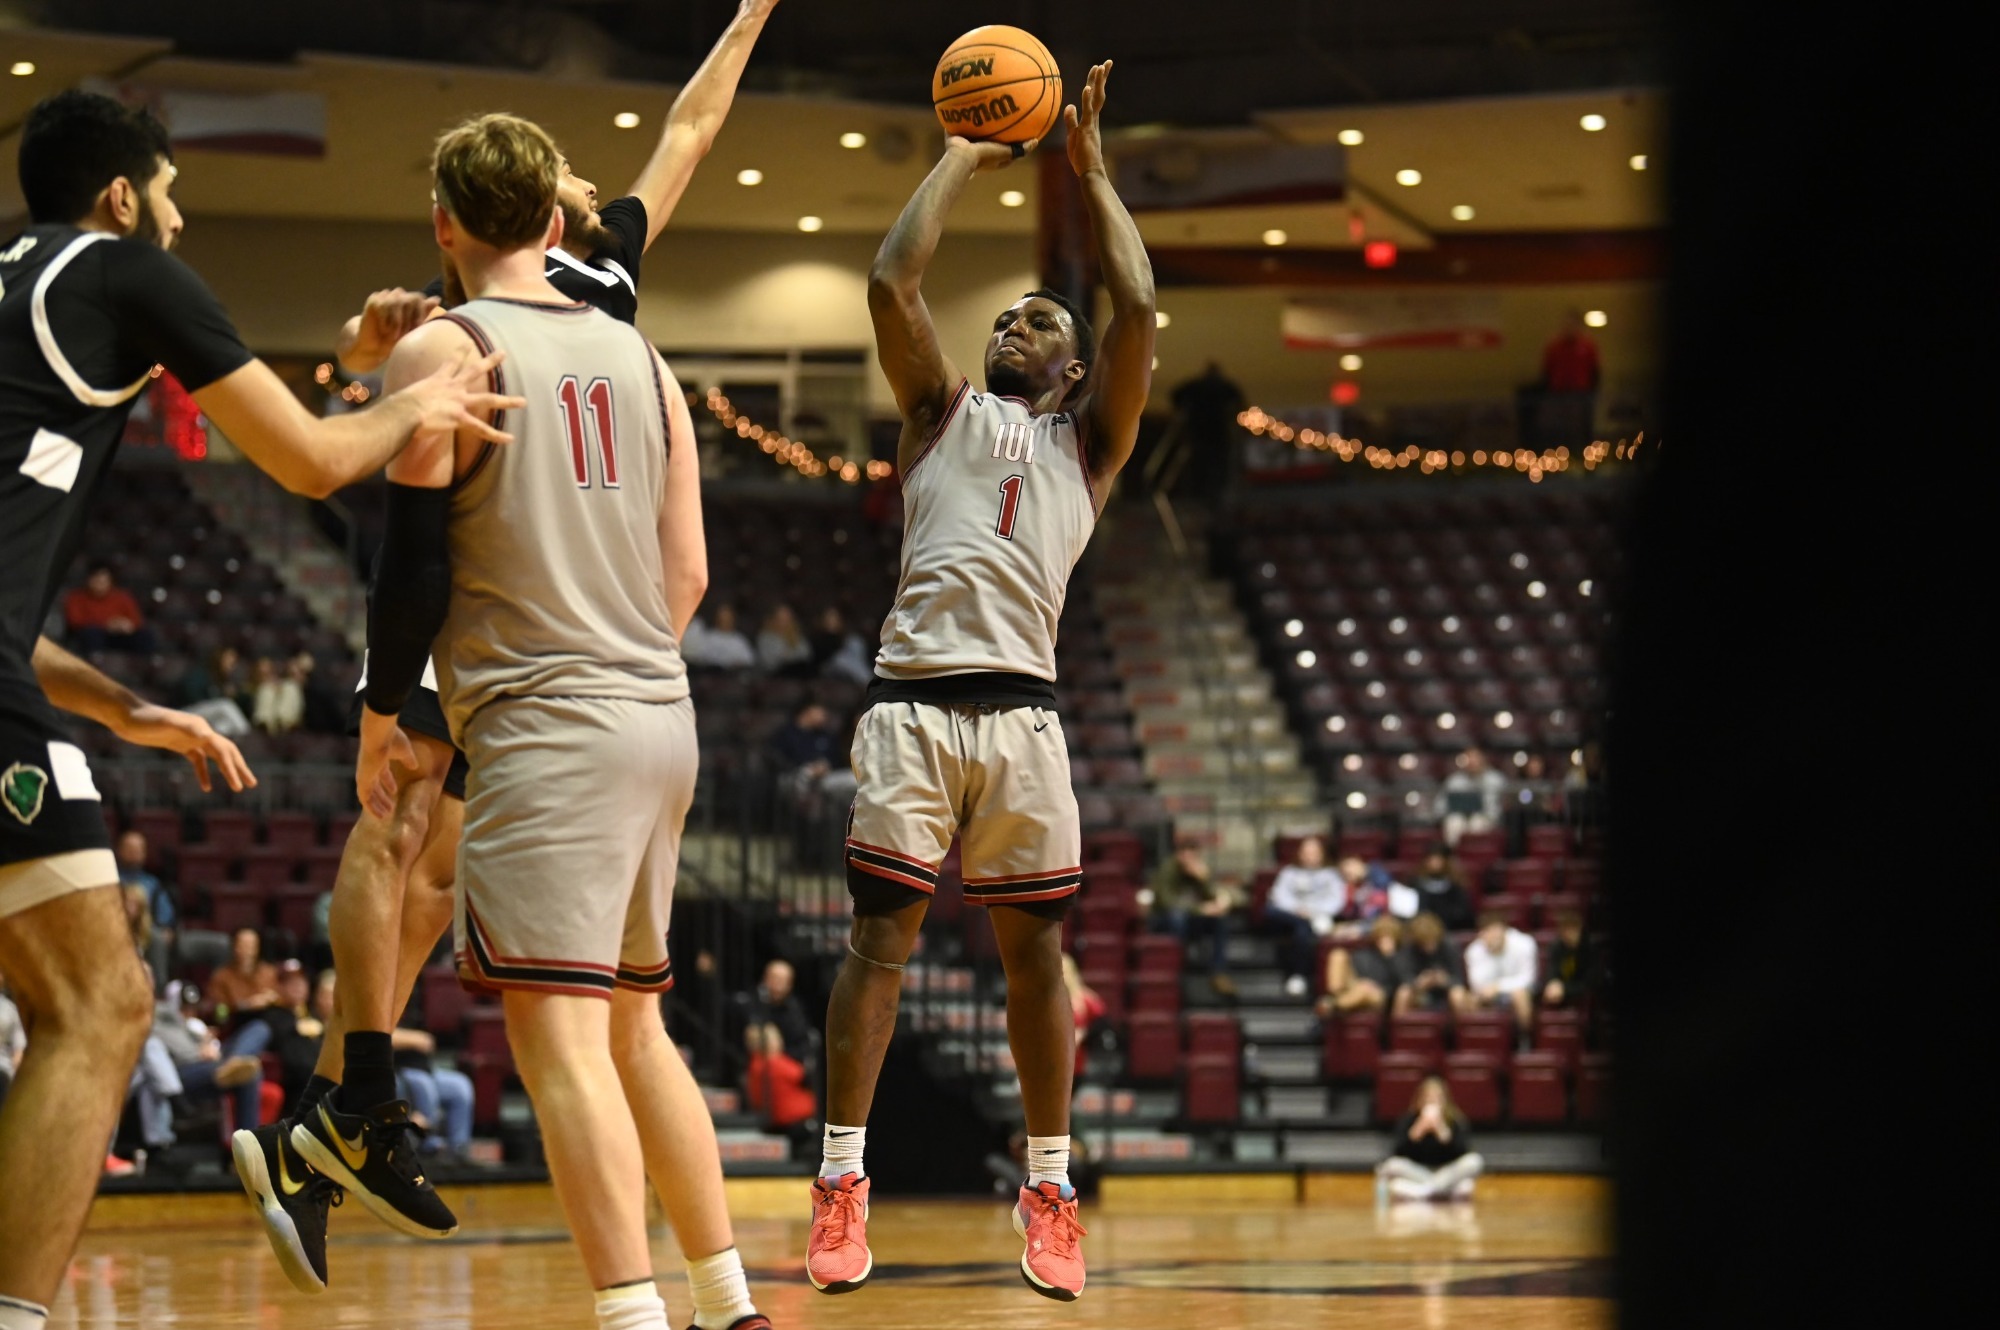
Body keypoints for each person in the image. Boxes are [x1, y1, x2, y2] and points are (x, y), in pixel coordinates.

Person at [231, 7, 780, 1307]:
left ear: (450, 220)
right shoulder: (633, 341)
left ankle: (350, 1110)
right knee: (441, 876)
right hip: (641, 680)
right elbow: (689, 571)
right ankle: (358, 1104)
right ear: (549, 209)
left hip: (538, 660)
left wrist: (373, 375)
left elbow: (412, 554)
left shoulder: (512, 317)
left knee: (447, 888)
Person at [0, 89, 517, 1330]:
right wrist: (413, 402)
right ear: (121, 195)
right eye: (169, 194)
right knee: (99, 1007)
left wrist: (130, 709)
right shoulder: (122, 268)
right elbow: (308, 460)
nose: (176, 220)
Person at [810, 61, 1153, 1305]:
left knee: (1033, 959)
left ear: (1072, 369)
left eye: (1040, 323)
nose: (1015, 326)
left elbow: (1137, 303)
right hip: (910, 702)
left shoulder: (1090, 445)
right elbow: (889, 280)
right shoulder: (936, 413)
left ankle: (1048, 1186)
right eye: (1006, 317)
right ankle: (841, 1177)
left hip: (1022, 713)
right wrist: (962, 149)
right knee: (878, 942)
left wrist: (1090, 171)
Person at [1144, 834, 1236, 996]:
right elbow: (1168, 903)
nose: (1189, 859)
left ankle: (1218, 972)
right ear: (1178, 855)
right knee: (1177, 918)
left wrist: (1204, 880)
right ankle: (1177, 969)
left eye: (1193, 855)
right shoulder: (1167, 869)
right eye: (1185, 855)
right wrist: (1201, 909)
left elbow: (1211, 896)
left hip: (1190, 919)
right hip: (1162, 920)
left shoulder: (1199, 870)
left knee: (1219, 920)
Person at [1376, 1075, 1485, 1202]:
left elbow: (1463, 1153)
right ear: (1420, 1099)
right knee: (1392, 1165)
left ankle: (1425, 1191)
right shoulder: (1408, 1119)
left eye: (1437, 1097)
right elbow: (1398, 1153)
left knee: (1474, 1161)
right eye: (1428, 1097)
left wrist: (1442, 1132)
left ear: (1445, 1100)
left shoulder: (1455, 1120)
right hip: (1419, 1172)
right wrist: (1417, 1131)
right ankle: (1442, 1191)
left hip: (1447, 1172)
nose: (1432, 1101)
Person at [1264, 835, 1346, 998]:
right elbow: (1279, 896)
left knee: (1302, 930)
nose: (1310, 856)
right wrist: (1298, 910)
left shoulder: (1331, 875)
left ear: (1321, 854)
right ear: (1300, 854)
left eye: (1314, 853)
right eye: (1306, 852)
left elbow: (1336, 902)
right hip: (1291, 915)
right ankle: (1312, 922)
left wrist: (1312, 911)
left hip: (1316, 915)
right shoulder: (1289, 872)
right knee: (1270, 910)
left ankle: (1298, 976)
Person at [769, 703, 858, 812]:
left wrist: (826, 765)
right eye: (820, 711)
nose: (824, 716)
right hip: (794, 776)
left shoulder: (825, 736)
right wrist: (809, 768)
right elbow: (778, 759)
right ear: (807, 711)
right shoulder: (787, 734)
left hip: (824, 778)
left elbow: (836, 759)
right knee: (804, 775)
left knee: (854, 779)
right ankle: (803, 814)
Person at [114, 829, 174, 984]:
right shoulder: (110, 882)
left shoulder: (152, 883)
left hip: (146, 930)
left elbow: (165, 916)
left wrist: (165, 928)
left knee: (157, 938)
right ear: (119, 851)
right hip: (115, 929)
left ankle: (159, 989)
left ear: (144, 853)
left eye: (137, 850)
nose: (134, 853)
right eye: (129, 849)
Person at [1319, 915, 1409, 1017]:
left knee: (1365, 989)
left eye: (1389, 937)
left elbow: (1402, 982)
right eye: (1382, 936)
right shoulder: (1366, 950)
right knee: (1338, 954)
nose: (1385, 940)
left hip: (1380, 994)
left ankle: (1332, 1005)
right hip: (1356, 984)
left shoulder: (1401, 955)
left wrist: (1390, 956)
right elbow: (1355, 968)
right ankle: (1334, 996)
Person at [1465, 909, 1538, 1026]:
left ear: (1504, 930)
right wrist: (1493, 954)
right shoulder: (1473, 950)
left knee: (1520, 995)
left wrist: (1499, 987)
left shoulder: (1524, 944)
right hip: (1488, 993)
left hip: (1518, 990)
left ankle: (1525, 1035)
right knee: (1470, 999)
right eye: (1487, 932)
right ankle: (1479, 1034)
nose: (1492, 935)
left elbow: (1528, 979)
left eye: (1495, 931)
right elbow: (1476, 983)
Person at [63, 566, 154, 655]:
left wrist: (126, 624)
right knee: (91, 634)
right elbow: (75, 621)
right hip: (95, 635)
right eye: (96, 581)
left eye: (103, 581)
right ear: (89, 580)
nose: (100, 585)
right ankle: (96, 659)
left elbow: (137, 620)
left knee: (144, 636)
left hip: (121, 636)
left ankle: (150, 661)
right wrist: (106, 624)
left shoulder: (123, 597)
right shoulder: (76, 597)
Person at [743, 1024, 816, 1133]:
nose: (780, 1041)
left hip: (783, 1119)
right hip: (790, 1120)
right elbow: (804, 1076)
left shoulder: (755, 1064)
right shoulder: (774, 1064)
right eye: (775, 1039)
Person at [736, 958, 813, 1063]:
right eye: (774, 978)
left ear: (790, 984)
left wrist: (780, 1054)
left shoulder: (794, 1009)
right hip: (755, 1061)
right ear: (765, 979)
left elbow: (802, 1043)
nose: (777, 985)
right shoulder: (751, 1003)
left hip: (786, 1060)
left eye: (782, 980)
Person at [1397, 912, 1469, 1016]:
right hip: (1419, 991)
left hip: (1445, 991)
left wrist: (1444, 980)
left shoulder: (1449, 946)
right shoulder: (1410, 949)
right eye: (1424, 943)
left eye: (1431, 942)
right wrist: (1419, 982)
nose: (1429, 947)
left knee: (1457, 994)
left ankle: (1463, 1025)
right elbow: (1404, 977)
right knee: (1403, 993)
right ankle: (1401, 1025)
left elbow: (1459, 978)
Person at [1434, 747, 1507, 847]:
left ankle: (1474, 853)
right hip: (1458, 816)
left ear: (1482, 760)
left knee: (1476, 823)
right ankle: (1454, 853)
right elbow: (1441, 803)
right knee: (1453, 823)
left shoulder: (1495, 780)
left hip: (1485, 817)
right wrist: (1444, 814)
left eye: (1475, 759)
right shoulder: (1454, 780)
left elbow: (1501, 804)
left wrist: (1491, 815)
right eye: (1469, 759)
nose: (1472, 763)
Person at [206, 926, 280, 1021]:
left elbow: (283, 998)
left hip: (268, 1017)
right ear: (235, 947)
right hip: (239, 1021)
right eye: (243, 945)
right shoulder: (221, 976)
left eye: (252, 946)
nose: (248, 951)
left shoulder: (269, 972)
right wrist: (247, 1005)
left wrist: (272, 998)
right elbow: (220, 1014)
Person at [1540, 910, 1596, 1011]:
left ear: (1580, 930)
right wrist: (1553, 984)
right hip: (1558, 993)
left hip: (1581, 994)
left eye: (1573, 930)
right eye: (1566, 930)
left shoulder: (1590, 949)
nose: (1569, 934)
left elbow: (1590, 982)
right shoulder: (1556, 947)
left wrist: (1564, 989)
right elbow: (1551, 972)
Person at [1061, 954, 1106, 1080]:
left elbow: (1102, 1025)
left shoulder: (1087, 999)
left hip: (1077, 1060)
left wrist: (1084, 1033)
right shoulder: (1046, 1001)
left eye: (1064, 972)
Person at [1407, 849, 1475, 932]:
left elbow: (1463, 914)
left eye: (1438, 860)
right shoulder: (1415, 884)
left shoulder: (1456, 886)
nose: (1435, 863)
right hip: (1421, 929)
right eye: (1432, 860)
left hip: (1451, 929)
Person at [681, 604, 758, 672]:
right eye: (722, 617)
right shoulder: (708, 637)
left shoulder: (740, 640)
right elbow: (699, 658)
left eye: (728, 618)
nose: (725, 620)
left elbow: (749, 661)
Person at [810, 607, 873, 686]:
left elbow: (861, 661)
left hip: (858, 673)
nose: (832, 621)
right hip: (828, 668)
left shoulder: (853, 639)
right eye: (828, 618)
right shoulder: (819, 639)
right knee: (840, 660)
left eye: (835, 618)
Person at [251, 655, 306, 735]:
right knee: (266, 690)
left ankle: (283, 720)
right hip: (264, 718)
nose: (267, 677)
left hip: (284, 719)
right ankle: (265, 723)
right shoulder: (259, 687)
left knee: (290, 686)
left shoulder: (287, 685)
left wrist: (278, 690)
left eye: (269, 673)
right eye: (262, 674)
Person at [756, 604, 813, 677]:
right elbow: (768, 662)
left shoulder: (796, 636)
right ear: (772, 619)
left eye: (788, 619)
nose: (785, 622)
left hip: (798, 669)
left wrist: (789, 655)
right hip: (776, 673)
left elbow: (806, 653)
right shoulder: (765, 637)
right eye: (781, 619)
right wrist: (787, 657)